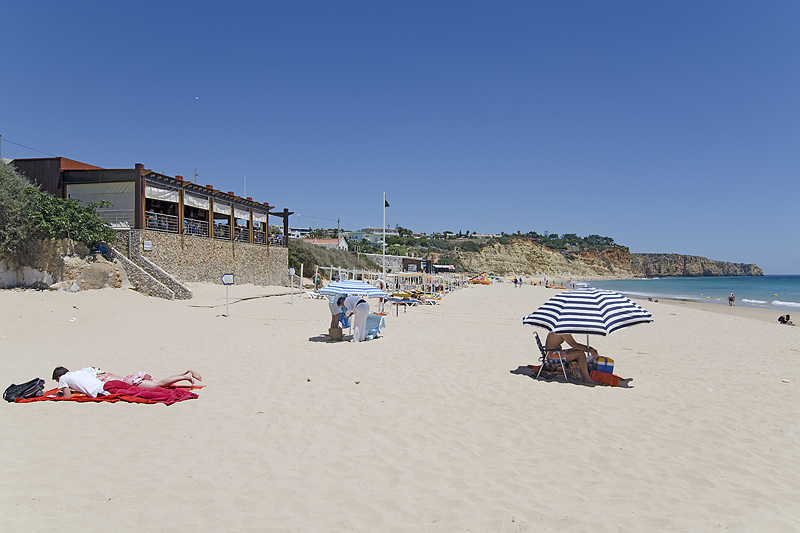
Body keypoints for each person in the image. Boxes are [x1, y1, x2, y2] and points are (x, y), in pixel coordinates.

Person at [52, 366, 201, 398]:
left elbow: (67, 396)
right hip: (127, 378)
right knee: (161, 384)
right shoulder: (83, 373)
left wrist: (62, 393)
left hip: (125, 382)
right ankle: (184, 374)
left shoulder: (64, 379)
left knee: (156, 387)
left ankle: (185, 376)